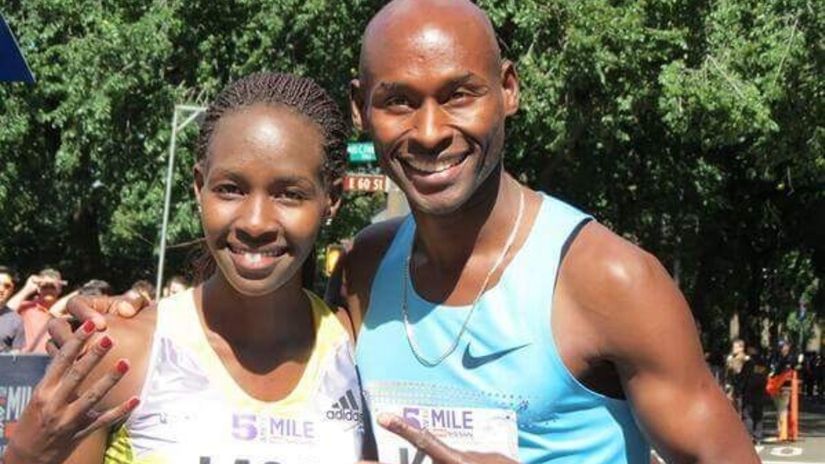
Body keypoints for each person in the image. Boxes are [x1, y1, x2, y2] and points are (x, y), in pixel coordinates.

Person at [48, 1, 758, 462]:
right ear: (362, 109)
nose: (427, 133)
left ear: (506, 89)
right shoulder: (363, 269)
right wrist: (138, 317)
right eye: (397, 103)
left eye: (458, 94)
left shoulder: (605, 278)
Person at [2, 72, 365, 464]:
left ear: (332, 199)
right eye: (230, 188)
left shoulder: (359, 353)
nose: (255, 222)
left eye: (289, 194)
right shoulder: (118, 352)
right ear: (198, 186)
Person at [6, 268, 64, 353]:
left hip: (56, 360)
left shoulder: (67, 310)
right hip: (29, 360)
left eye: (52, 287)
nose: (48, 290)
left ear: (60, 289)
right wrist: (27, 289)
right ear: (38, 288)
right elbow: (6, 314)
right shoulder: (27, 307)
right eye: (45, 287)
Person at [740, 345, 768, 443]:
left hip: (749, 391)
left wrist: (741, 388)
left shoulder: (749, 363)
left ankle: (748, 436)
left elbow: (743, 376)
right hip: (760, 391)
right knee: (758, 414)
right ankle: (758, 436)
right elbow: (765, 376)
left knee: (747, 414)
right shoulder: (763, 363)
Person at [0, 266, 25, 353]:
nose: (1, 289)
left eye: (6, 286)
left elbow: (15, 356)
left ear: (11, 290)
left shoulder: (16, 320)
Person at [725, 339, 748, 411]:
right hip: (733, 386)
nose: (733, 349)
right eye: (733, 347)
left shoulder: (743, 358)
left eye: (735, 347)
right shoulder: (734, 357)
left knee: (739, 408)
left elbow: (738, 370)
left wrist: (730, 362)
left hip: (740, 388)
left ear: (741, 348)